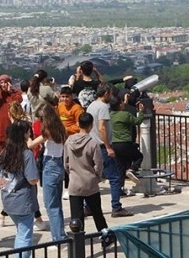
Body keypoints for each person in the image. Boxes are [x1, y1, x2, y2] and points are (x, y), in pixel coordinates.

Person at [64, 112, 116, 249]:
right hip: (90, 183)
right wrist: (96, 177)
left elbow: (66, 163)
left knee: (76, 217)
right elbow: (98, 165)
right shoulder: (93, 143)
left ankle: (78, 247)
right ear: (91, 125)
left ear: (78, 124)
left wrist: (72, 174)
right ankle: (106, 239)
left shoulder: (68, 142)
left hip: (74, 183)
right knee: (97, 213)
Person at [0, 122, 40, 258]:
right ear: (23, 135)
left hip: (8, 199)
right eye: (27, 132)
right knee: (25, 236)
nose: (29, 134)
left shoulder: (4, 153)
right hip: (23, 201)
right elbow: (32, 179)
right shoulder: (26, 154)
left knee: (21, 232)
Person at [88, 83, 133, 217]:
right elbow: (102, 127)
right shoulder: (103, 108)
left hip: (91, 145)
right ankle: (116, 207)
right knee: (114, 178)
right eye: (111, 93)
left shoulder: (91, 105)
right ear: (107, 93)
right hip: (101, 146)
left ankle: (88, 206)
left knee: (92, 178)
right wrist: (108, 146)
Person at [27, 104, 67, 243]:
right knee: (57, 205)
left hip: (50, 165)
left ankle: (58, 238)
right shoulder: (60, 128)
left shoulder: (48, 131)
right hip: (59, 164)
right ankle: (60, 234)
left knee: (51, 205)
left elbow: (31, 145)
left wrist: (26, 135)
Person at [109, 95, 145, 189]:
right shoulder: (126, 115)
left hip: (115, 144)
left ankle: (120, 189)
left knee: (120, 166)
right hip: (125, 142)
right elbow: (137, 121)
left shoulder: (111, 115)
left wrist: (125, 101)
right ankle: (132, 170)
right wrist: (141, 112)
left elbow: (119, 106)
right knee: (138, 156)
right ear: (120, 104)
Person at [57, 86, 83, 200]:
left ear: (72, 96)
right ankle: (67, 187)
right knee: (65, 163)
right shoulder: (60, 106)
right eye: (62, 97)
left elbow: (79, 125)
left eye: (67, 97)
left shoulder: (77, 109)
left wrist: (66, 129)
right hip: (62, 139)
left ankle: (71, 187)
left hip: (74, 139)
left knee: (73, 164)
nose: (65, 99)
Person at [0, 75, 23, 155]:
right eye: (1, 83)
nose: (3, 85)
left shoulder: (15, 92)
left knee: (12, 146)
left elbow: (18, 101)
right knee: (1, 148)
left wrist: (10, 92)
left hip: (11, 122)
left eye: (5, 83)